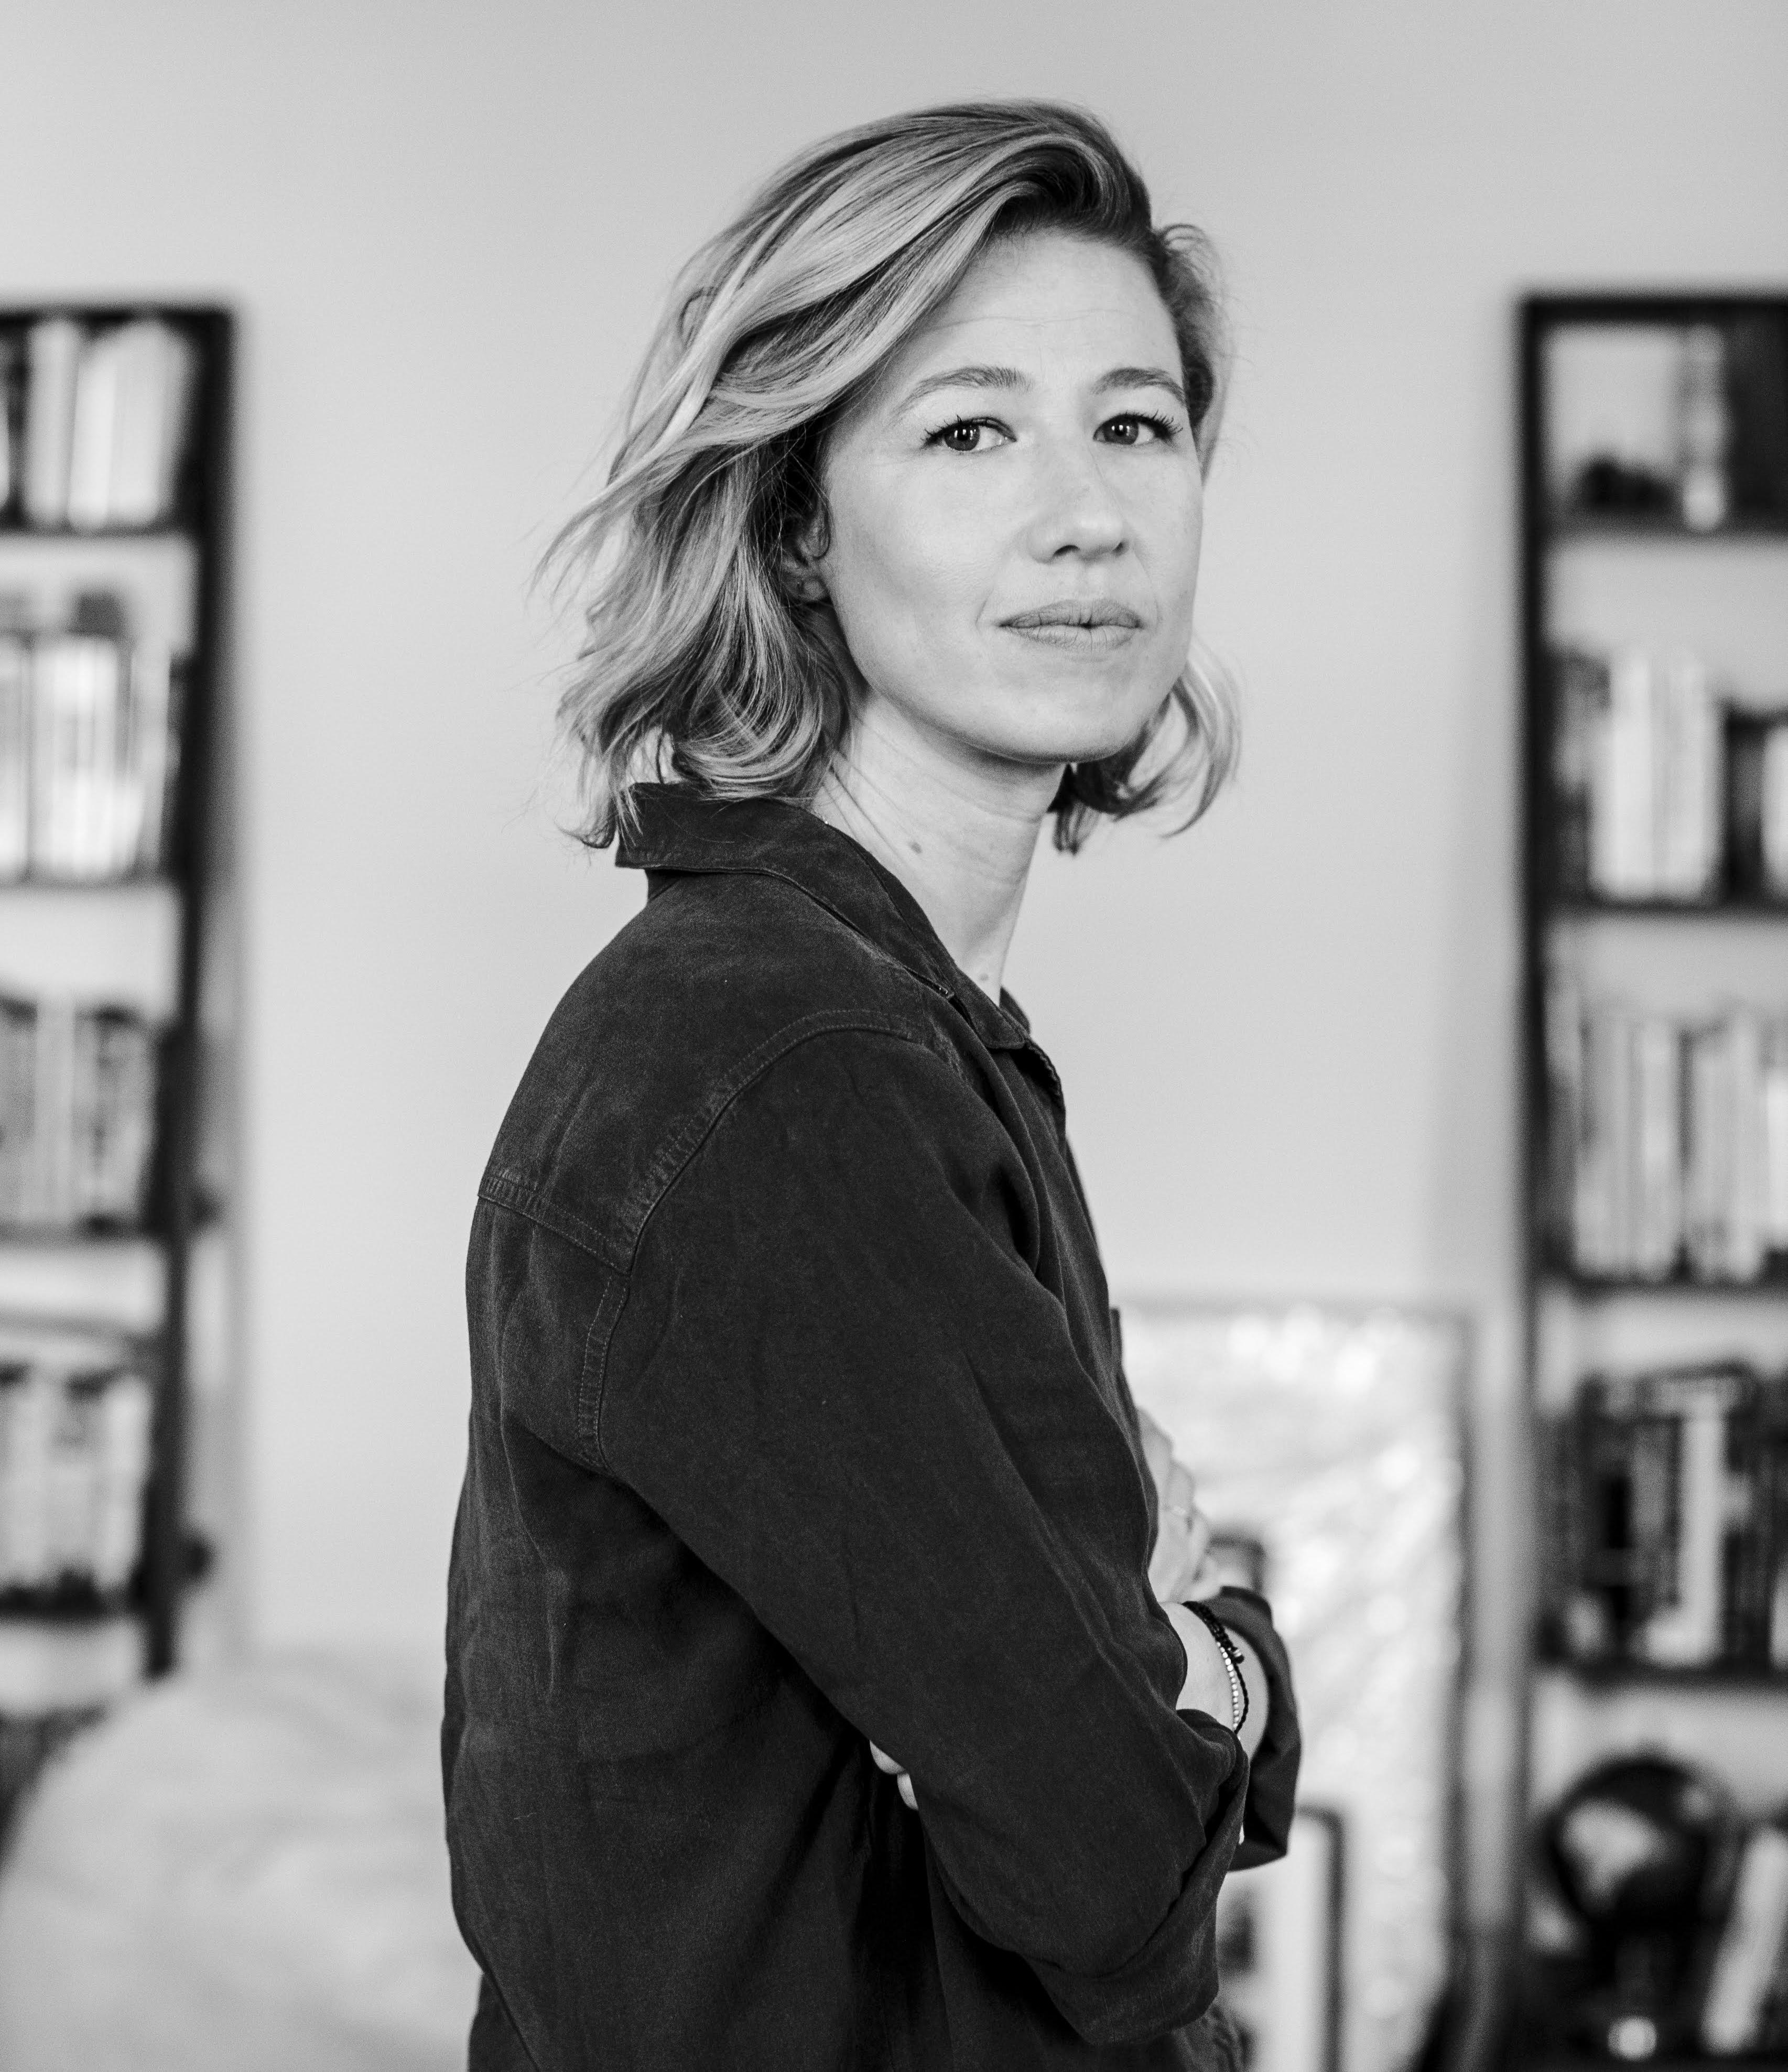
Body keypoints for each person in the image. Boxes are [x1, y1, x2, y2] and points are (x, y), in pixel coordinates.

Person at [443, 100, 1300, 2071]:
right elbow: (1116, 1869)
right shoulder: (785, 1065)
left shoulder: (898, 1021)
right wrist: (1230, 1665)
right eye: (969, 431)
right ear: (798, 530)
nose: (1086, 515)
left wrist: (1150, 1662)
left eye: (1136, 424)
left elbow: (1085, 1766)